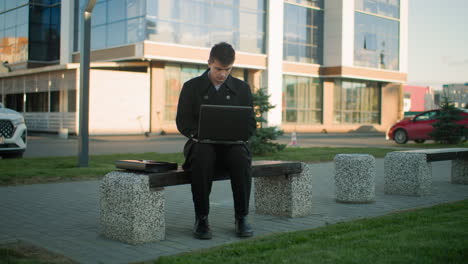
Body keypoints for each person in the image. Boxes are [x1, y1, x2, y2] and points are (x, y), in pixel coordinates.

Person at [176, 42, 256, 240]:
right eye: (218, 69)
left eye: (227, 70)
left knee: (241, 156)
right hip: (202, 145)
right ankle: (201, 218)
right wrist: (198, 134)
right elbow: (182, 121)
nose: (222, 74)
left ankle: (241, 217)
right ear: (209, 63)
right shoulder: (191, 87)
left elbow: (251, 124)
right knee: (203, 155)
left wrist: (240, 134)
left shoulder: (242, 88)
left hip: (231, 147)